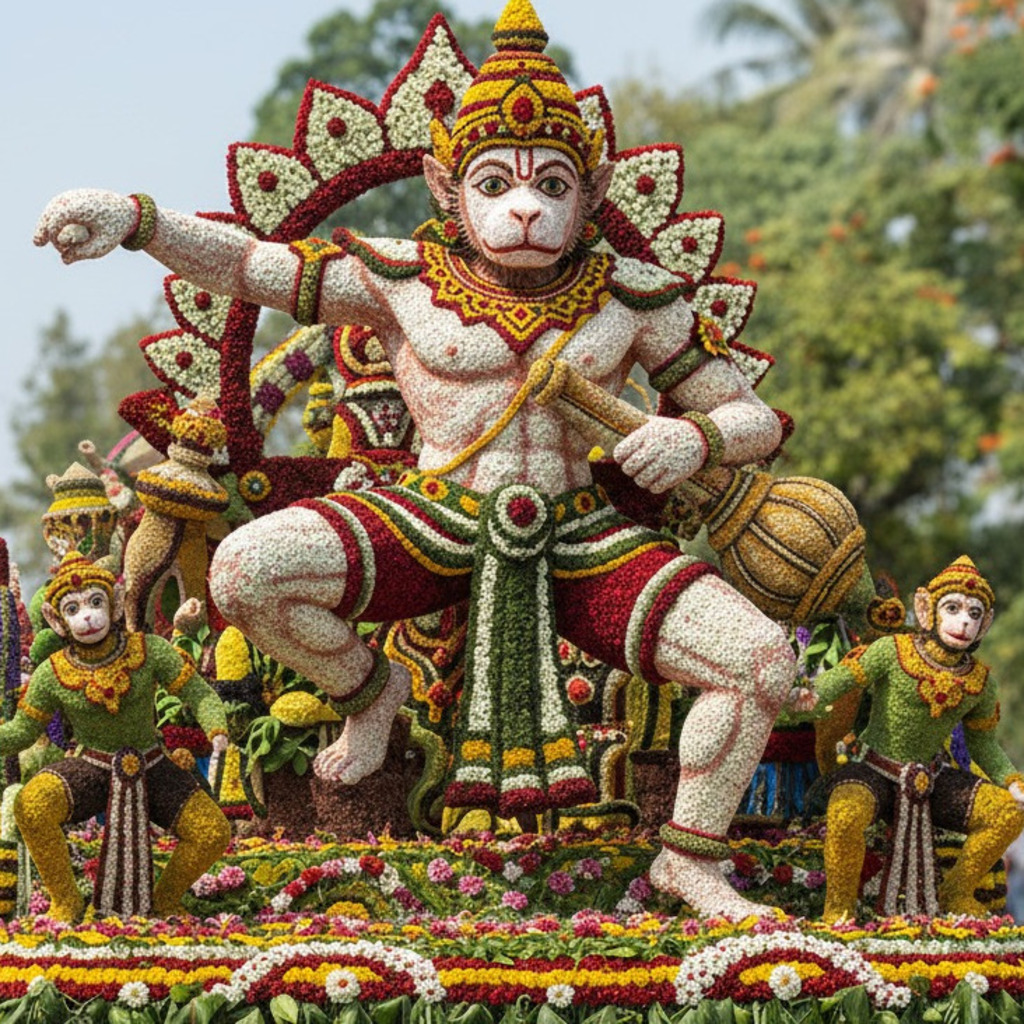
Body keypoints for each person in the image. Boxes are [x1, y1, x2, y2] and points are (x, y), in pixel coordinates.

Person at [34, 0, 799, 919]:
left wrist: (696, 435)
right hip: (434, 514)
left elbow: (753, 416)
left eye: (554, 185)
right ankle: (369, 688)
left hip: (578, 538)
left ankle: (689, 858)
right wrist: (137, 218)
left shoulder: (634, 297)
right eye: (498, 184)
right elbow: (254, 269)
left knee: (760, 663)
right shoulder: (403, 282)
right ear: (448, 186)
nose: (526, 208)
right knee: (243, 572)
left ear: (591, 195)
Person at [1, 552, 230, 921]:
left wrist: (216, 727)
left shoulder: (148, 651)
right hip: (91, 765)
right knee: (32, 805)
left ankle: (165, 899)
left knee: (212, 832)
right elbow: (23, 731)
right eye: (73, 609)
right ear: (57, 621)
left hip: (152, 764)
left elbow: (198, 693)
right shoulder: (52, 673)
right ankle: (66, 901)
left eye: (95, 602)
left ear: (116, 604)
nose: (87, 616)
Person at [810, 556, 1024, 921]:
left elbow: (983, 744)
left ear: (985, 624)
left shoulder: (979, 683)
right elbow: (835, 685)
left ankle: (956, 893)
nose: (964, 622)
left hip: (931, 780)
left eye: (974, 614)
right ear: (927, 610)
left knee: (1006, 814)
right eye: (953, 608)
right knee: (845, 814)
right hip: (873, 769)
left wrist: (1012, 781)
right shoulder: (893, 652)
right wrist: (802, 695)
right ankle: (839, 910)